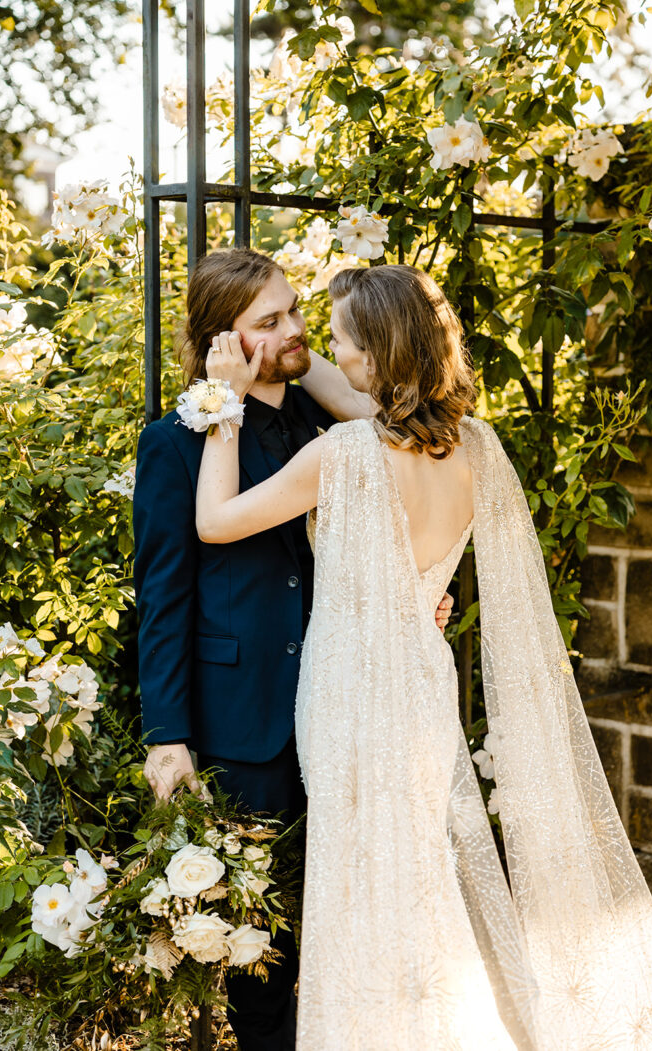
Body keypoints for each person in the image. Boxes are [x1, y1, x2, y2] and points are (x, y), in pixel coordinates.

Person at [195, 263, 652, 1050]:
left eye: (340, 340)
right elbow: (381, 431)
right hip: (422, 685)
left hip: (350, 696)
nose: (330, 353)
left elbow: (216, 521)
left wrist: (222, 405)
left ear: (374, 353)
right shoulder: (475, 448)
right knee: (419, 873)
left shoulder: (342, 454)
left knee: (363, 882)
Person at [133, 249, 453, 1051]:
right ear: (223, 340)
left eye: (294, 310)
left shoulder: (340, 424)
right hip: (246, 722)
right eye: (268, 321)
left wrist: (415, 600)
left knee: (360, 913)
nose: (295, 329)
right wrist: (167, 734)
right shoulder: (174, 443)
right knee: (258, 946)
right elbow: (163, 596)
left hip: (354, 712)